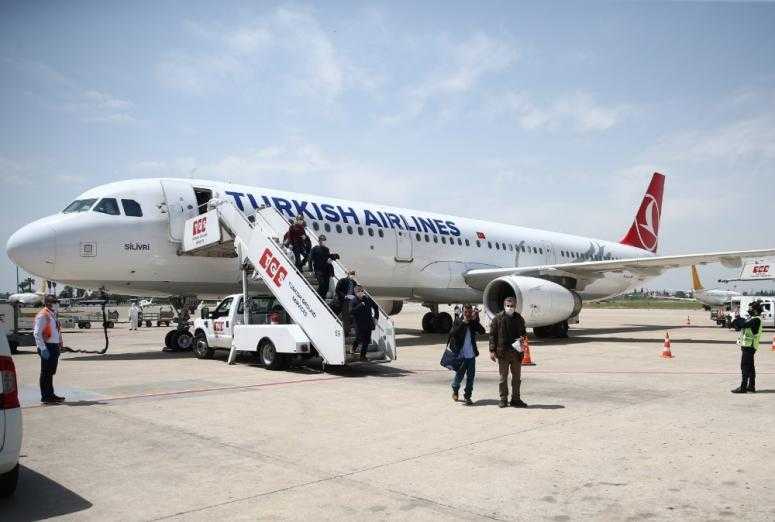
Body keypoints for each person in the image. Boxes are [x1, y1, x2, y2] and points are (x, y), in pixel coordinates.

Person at [489, 297, 528, 408]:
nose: (510, 308)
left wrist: (522, 340)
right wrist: (492, 350)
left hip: (516, 353)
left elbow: (524, 333)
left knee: (516, 378)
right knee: (503, 378)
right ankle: (503, 399)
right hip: (503, 353)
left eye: (512, 306)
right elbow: (492, 335)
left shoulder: (519, 318)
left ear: (515, 306)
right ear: (504, 306)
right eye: (508, 306)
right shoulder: (497, 319)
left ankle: (516, 399)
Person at [449, 305, 485, 405]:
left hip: (471, 355)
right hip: (461, 355)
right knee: (459, 376)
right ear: (462, 312)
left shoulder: (473, 322)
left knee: (470, 378)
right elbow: (452, 334)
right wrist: (463, 323)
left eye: (469, 312)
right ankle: (455, 389)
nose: (468, 314)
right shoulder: (458, 321)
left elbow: (482, 331)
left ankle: (467, 396)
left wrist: (475, 320)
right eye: (465, 312)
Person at [33, 294, 65, 404]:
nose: (56, 304)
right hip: (47, 347)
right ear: (47, 303)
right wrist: (43, 348)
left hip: (53, 346)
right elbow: (37, 333)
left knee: (50, 372)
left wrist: (59, 344)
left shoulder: (52, 314)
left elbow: (56, 330)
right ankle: (46, 397)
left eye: (56, 302)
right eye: (54, 302)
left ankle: (51, 394)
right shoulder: (43, 315)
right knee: (46, 373)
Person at [730, 300, 763, 393]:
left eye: (750, 309)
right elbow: (739, 326)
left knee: (744, 366)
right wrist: (737, 320)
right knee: (750, 367)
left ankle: (743, 387)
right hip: (747, 346)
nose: (749, 310)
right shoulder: (751, 318)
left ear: (755, 310)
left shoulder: (756, 319)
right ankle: (751, 386)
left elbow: (743, 324)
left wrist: (737, 317)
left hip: (750, 346)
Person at [349, 286, 379, 361]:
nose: (361, 293)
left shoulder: (368, 299)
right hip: (359, 324)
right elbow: (351, 312)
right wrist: (360, 305)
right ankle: (353, 347)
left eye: (362, 291)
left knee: (367, 340)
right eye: (359, 291)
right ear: (355, 293)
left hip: (368, 322)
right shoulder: (353, 301)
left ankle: (363, 356)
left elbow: (376, 307)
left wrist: (376, 317)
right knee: (359, 338)